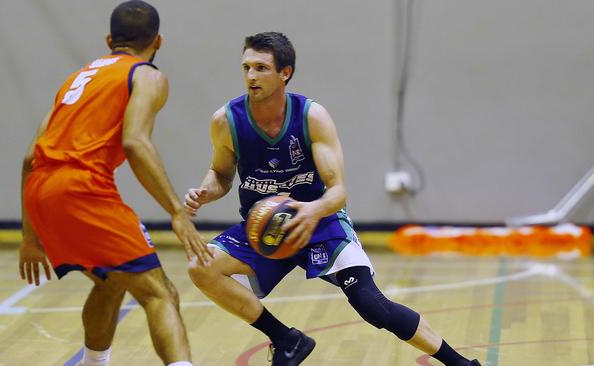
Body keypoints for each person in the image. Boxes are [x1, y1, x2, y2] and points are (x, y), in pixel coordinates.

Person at [185, 32, 481, 366]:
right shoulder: (226, 121)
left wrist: (312, 210)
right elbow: (221, 174)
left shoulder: (311, 117)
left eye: (261, 68)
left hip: (320, 220)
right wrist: (205, 191)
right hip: (267, 227)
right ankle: (286, 340)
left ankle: (459, 363)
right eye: (247, 67)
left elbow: (338, 190)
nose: (251, 76)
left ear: (285, 72)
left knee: (371, 306)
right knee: (202, 267)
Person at [19, 1, 212, 365]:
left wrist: (30, 237)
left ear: (110, 39)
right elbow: (135, 142)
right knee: (160, 293)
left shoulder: (76, 78)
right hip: (83, 188)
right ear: (159, 42)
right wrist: (176, 211)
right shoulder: (146, 74)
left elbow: (30, 158)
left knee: (111, 281)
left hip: (41, 190)